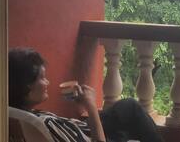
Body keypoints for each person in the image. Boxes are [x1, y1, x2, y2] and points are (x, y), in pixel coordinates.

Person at [9, 47, 164, 142]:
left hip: (86, 129)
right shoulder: (42, 125)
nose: (48, 82)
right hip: (95, 135)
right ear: (26, 86)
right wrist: (90, 106)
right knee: (132, 109)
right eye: (42, 78)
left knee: (128, 107)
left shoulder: (20, 113)